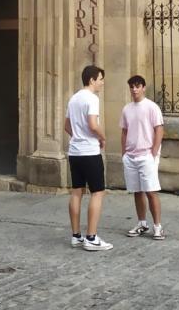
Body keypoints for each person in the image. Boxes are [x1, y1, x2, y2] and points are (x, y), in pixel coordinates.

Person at [66, 65, 113, 252]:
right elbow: (93, 124)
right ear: (92, 80)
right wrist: (102, 137)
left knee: (76, 192)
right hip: (90, 153)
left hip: (74, 152)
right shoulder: (92, 98)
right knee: (97, 192)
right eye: (100, 79)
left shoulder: (73, 98)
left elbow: (67, 126)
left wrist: (78, 136)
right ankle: (91, 237)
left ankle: (76, 236)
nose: (102, 83)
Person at [121, 75, 165, 241]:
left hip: (146, 155)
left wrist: (153, 152)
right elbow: (124, 131)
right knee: (137, 191)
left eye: (137, 86)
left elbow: (159, 129)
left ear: (143, 88)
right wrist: (124, 153)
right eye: (132, 86)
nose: (134, 89)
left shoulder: (151, 107)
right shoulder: (127, 109)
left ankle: (158, 226)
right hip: (131, 156)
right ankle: (142, 223)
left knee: (151, 191)